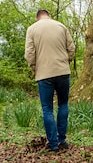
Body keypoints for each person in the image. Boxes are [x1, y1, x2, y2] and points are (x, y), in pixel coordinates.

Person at [25, 8, 75, 153]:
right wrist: (66, 62)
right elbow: (71, 48)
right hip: (63, 72)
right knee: (63, 104)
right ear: (49, 16)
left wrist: (35, 68)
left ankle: (53, 145)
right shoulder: (61, 26)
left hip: (44, 74)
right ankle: (62, 140)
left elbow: (29, 54)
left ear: (37, 18)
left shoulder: (32, 29)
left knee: (47, 109)